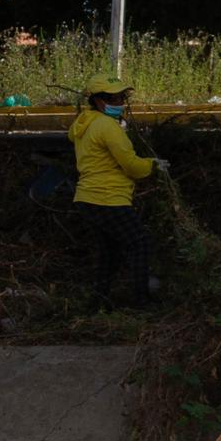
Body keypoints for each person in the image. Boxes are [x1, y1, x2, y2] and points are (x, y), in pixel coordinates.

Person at [69, 75, 165, 308]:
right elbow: (131, 164)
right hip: (107, 198)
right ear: (100, 101)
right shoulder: (106, 127)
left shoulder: (86, 122)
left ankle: (98, 302)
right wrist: (153, 164)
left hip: (88, 198)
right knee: (139, 242)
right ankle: (141, 301)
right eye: (116, 97)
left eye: (122, 97)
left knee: (109, 251)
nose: (121, 101)